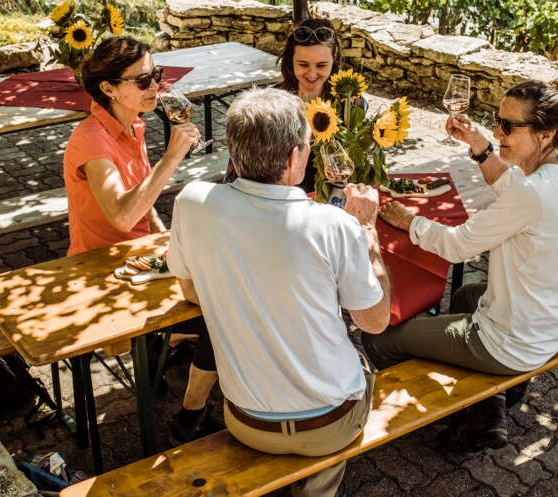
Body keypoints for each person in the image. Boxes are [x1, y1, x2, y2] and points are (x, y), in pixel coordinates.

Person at [168, 87, 392, 497]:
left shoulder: (193, 201)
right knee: (361, 360)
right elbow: (375, 322)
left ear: (234, 154)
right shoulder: (333, 224)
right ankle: (316, 488)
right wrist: (368, 233)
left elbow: (190, 290)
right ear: (295, 157)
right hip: (327, 426)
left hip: (246, 421)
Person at [369, 79, 558, 452]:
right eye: (496, 120)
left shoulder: (531, 192)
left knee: (379, 339)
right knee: (468, 294)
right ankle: (489, 408)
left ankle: (419, 413)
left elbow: (458, 247)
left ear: (545, 134)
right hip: (551, 324)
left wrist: (409, 223)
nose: (498, 131)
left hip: (516, 343)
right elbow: (508, 184)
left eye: (508, 126)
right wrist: (478, 145)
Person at [62, 36, 220, 444]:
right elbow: (121, 215)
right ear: (109, 88)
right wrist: (172, 157)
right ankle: (186, 418)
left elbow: (141, 199)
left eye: (157, 75)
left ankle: (165, 362)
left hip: (139, 258)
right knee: (218, 320)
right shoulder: (91, 139)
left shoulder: (132, 123)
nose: (156, 87)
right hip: (100, 267)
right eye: (144, 80)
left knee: (224, 295)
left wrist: (168, 239)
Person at [225, 18, 362, 193]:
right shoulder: (269, 102)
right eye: (303, 65)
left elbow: (357, 162)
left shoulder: (352, 104)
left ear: (334, 61)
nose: (312, 74)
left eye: (322, 65)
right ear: (290, 61)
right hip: (275, 198)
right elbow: (241, 161)